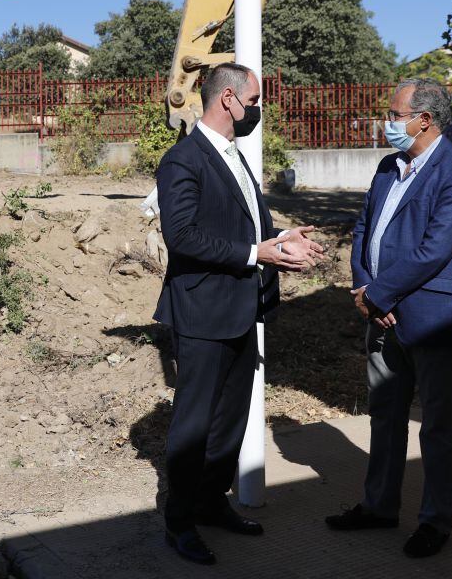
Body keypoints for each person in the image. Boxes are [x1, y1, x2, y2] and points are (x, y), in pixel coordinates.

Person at [154, 62, 323, 565]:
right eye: (252, 101)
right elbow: (182, 237)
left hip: (241, 311)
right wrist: (258, 254)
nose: (256, 110)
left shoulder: (233, 156)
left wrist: (277, 241)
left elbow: (240, 224)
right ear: (227, 99)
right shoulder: (183, 159)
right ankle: (179, 522)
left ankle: (209, 504)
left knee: (229, 422)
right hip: (204, 313)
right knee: (194, 426)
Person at [327, 78, 452, 558]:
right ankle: (379, 505)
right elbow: (363, 228)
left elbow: (434, 249)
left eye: (395, 114)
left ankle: (435, 521)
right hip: (381, 312)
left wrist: (380, 292)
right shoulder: (386, 166)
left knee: (438, 423)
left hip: (433, 316)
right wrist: (363, 285)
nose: (387, 121)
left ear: (425, 120)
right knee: (385, 416)